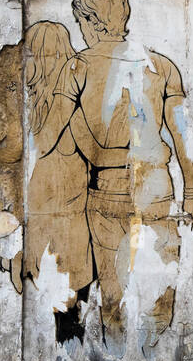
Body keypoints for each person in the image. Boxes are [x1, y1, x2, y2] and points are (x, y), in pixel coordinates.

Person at [66, 0, 193, 350]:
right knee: (161, 289)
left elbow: (66, 133)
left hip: (106, 186)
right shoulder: (161, 66)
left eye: (82, 22)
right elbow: (182, 136)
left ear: (95, 21)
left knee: (112, 294)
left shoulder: (77, 66)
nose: (81, 31)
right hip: (156, 185)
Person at [17, 20, 129, 342]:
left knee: (65, 309)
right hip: (61, 218)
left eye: (33, 54)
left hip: (61, 218)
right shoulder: (60, 103)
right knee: (68, 310)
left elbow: (52, 142)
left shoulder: (56, 104)